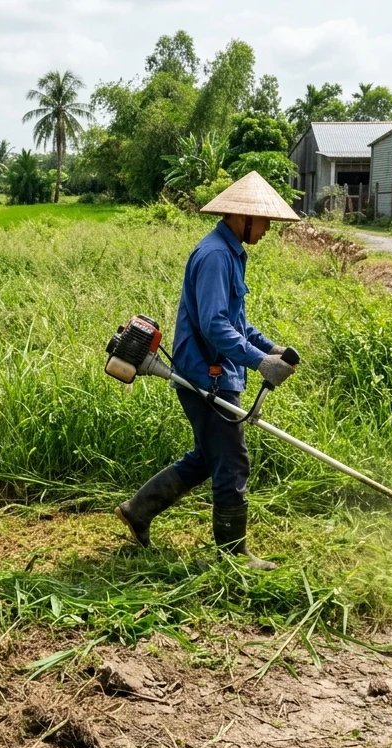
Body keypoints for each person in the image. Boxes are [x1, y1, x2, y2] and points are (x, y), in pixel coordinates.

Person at [115, 172, 301, 570]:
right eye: (265, 221)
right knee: (232, 463)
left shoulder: (232, 253)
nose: (269, 229)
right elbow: (215, 326)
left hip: (216, 371)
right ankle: (234, 556)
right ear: (241, 218)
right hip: (207, 373)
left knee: (208, 457)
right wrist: (259, 362)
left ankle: (138, 510)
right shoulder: (216, 256)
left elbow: (236, 321)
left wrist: (272, 348)